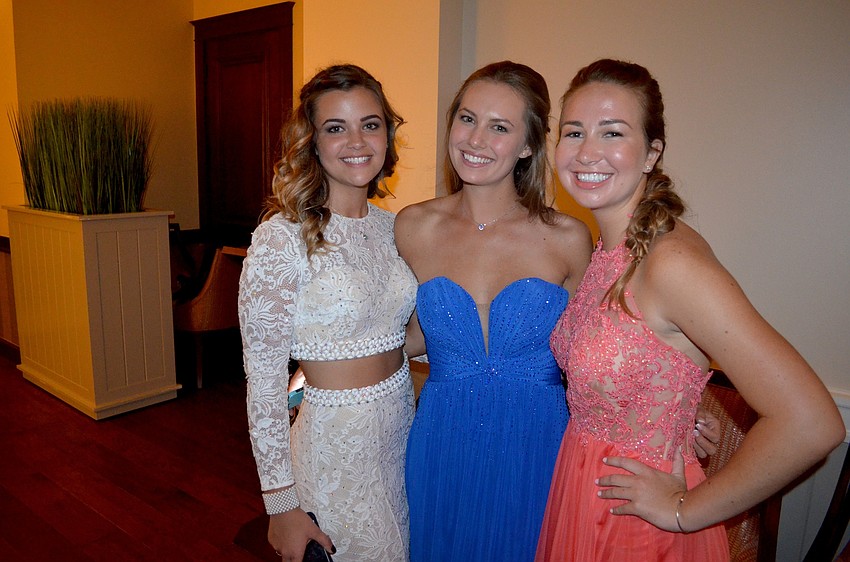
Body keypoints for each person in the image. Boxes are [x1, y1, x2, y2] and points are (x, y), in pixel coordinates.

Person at [535, 58, 845, 561]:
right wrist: (675, 409)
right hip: (583, 493)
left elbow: (812, 422)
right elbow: (652, 356)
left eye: (612, 132)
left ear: (651, 153)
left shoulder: (672, 262)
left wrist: (684, 510)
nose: (587, 152)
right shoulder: (609, 250)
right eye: (574, 132)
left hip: (638, 529)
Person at [397, 61, 593, 562]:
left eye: (499, 127)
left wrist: (678, 411)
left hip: (538, 445)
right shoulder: (413, 227)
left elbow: (598, 351)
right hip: (442, 441)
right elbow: (407, 335)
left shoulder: (567, 238)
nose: (475, 139)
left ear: (528, 145)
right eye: (467, 119)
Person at [238, 64, 418, 562]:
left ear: (387, 136)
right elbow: (264, 383)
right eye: (336, 128)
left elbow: (401, 336)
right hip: (333, 450)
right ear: (312, 142)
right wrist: (280, 505)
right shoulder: (281, 237)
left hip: (401, 436)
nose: (356, 141)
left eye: (370, 124)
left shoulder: (394, 228)